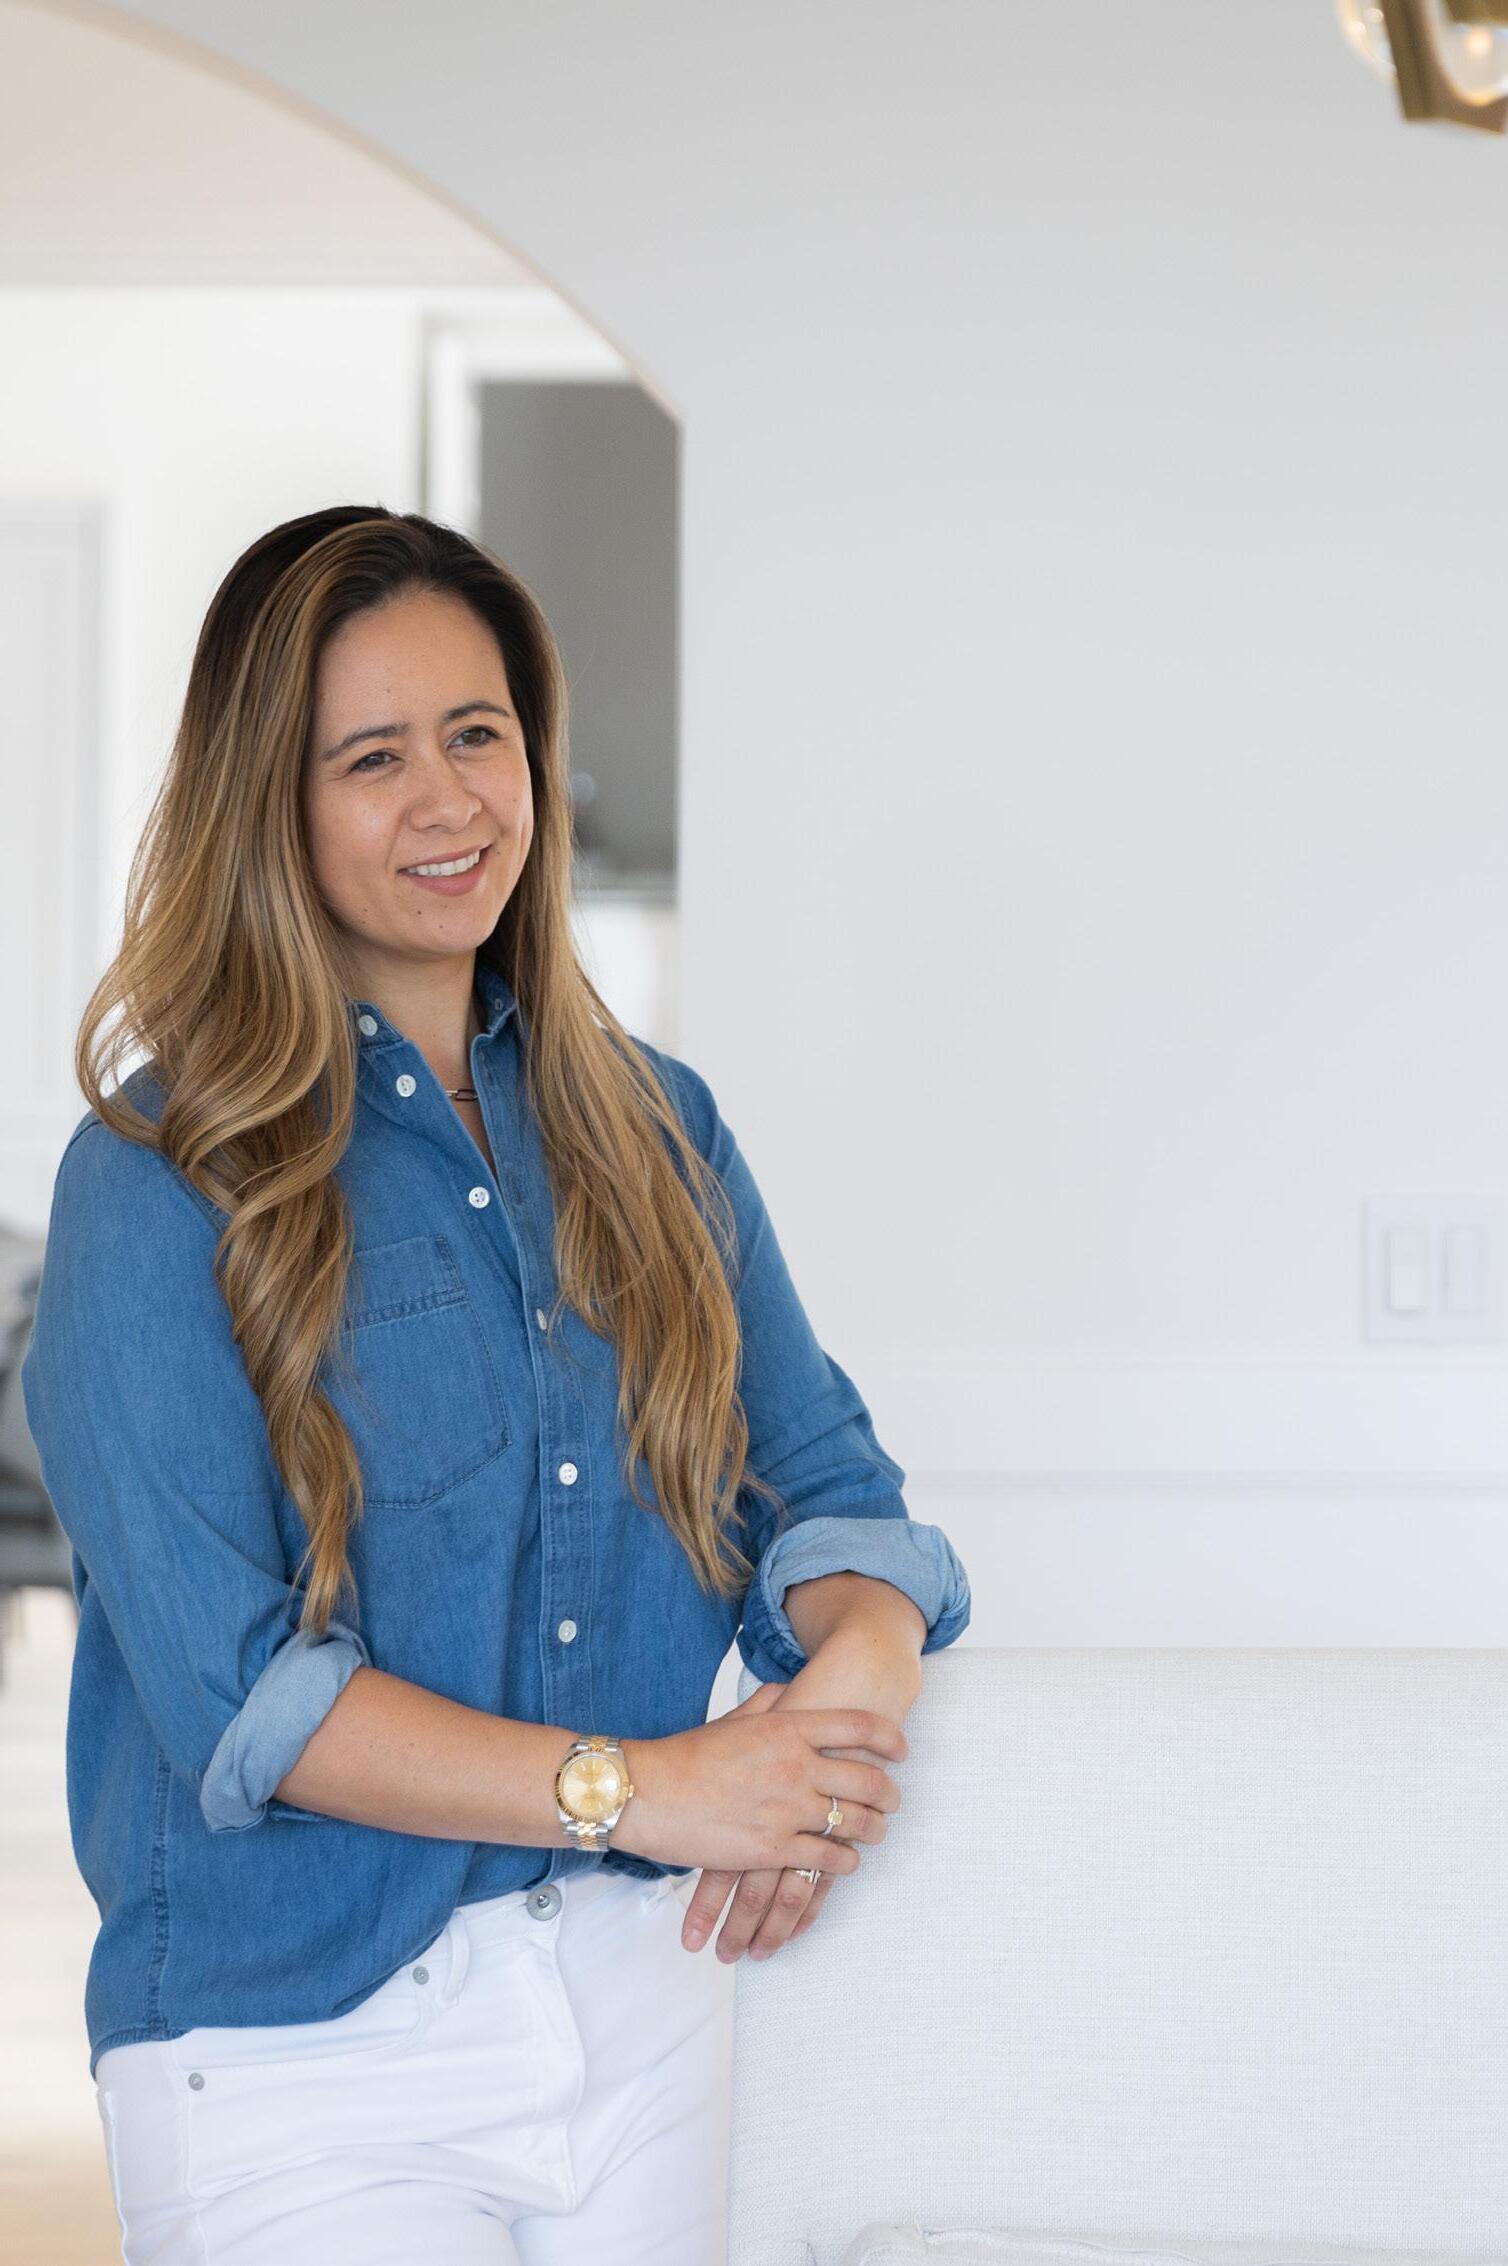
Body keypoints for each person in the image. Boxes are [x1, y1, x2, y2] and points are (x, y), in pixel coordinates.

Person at [21, 504, 972, 2263]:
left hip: (656, 1994)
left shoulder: (658, 1124)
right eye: (372, 757)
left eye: (479, 733)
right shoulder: (156, 1179)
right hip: (300, 2050)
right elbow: (244, 1700)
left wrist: (840, 1715)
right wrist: (647, 1786)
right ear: (270, 804)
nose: (450, 799)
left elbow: (838, 1500)